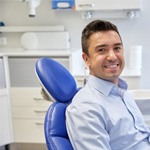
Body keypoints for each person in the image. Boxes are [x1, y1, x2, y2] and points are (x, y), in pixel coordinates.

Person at [66, 20, 150, 150]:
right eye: (102, 50)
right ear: (87, 59)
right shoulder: (86, 108)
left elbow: (140, 136)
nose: (112, 56)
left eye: (117, 48)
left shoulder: (122, 92)